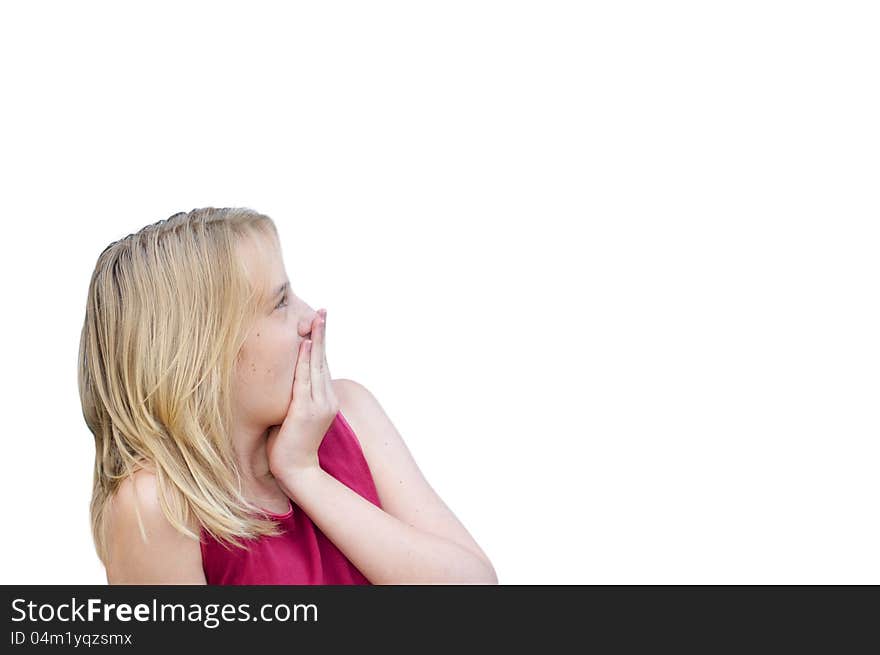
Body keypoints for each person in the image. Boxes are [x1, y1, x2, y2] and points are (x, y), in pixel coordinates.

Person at [78, 207, 497, 585]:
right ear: (202, 353)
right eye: (280, 303)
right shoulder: (155, 507)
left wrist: (303, 473)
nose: (309, 315)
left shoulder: (351, 410)